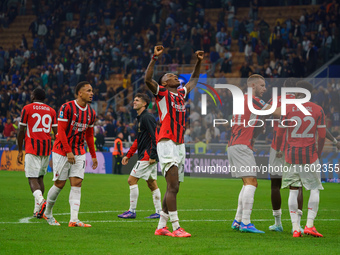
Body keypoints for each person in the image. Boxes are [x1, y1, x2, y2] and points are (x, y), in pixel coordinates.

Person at [145, 45, 204, 237]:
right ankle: (176, 227)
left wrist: (199, 62)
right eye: (170, 75)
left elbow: (194, 80)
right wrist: (154, 58)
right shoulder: (161, 93)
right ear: (164, 82)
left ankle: (161, 226)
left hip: (179, 143)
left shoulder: (180, 94)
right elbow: (147, 79)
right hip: (166, 141)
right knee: (174, 186)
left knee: (174, 186)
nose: (175, 76)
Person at [43, 81, 98, 227]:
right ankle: (47, 213)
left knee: (77, 183)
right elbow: (60, 132)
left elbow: (89, 135)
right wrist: (68, 151)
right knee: (60, 183)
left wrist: (93, 155)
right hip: (62, 149)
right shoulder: (67, 107)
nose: (91, 93)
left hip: (79, 150)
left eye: (92, 91)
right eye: (88, 90)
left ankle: (74, 219)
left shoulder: (91, 113)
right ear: (80, 93)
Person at [276, 81, 326, 238]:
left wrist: (278, 149)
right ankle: (309, 225)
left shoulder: (288, 109)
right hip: (310, 155)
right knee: (314, 188)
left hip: (291, 155)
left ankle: (296, 228)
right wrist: (318, 152)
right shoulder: (318, 110)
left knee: (293, 189)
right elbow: (323, 135)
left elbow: (279, 133)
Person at [228, 74, 269, 234]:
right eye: (262, 85)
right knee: (252, 182)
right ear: (252, 86)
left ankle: (238, 220)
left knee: (247, 183)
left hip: (236, 144)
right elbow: (276, 112)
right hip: (240, 146)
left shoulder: (242, 100)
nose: (264, 89)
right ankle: (246, 222)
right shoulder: (252, 99)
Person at [267, 78, 304, 233]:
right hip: (297, 147)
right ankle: (298, 225)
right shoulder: (302, 103)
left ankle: (278, 223)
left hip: (278, 146)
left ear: (283, 88)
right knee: (297, 186)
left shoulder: (275, 101)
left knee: (275, 184)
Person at [118, 93, 162, 219]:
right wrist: (129, 155)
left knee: (131, 180)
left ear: (144, 104)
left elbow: (155, 136)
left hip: (148, 155)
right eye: (134, 100)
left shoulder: (147, 117)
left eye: (137, 100)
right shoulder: (141, 118)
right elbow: (138, 140)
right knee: (152, 183)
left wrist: (153, 154)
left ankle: (131, 211)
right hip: (147, 154)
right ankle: (159, 212)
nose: (134, 102)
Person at [17, 88, 58, 218]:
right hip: (46, 149)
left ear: (34, 96)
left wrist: (19, 150)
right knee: (40, 178)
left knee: (32, 179)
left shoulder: (27, 108)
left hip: (32, 147)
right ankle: (37, 211)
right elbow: (56, 132)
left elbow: (21, 130)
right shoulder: (51, 111)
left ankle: (41, 201)